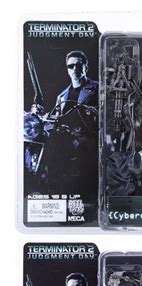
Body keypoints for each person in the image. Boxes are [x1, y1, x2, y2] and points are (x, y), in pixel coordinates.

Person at [49, 50, 98, 195]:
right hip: (67, 144)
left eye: (79, 65)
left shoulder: (98, 88)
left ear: (86, 67)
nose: (75, 69)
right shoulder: (62, 96)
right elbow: (56, 119)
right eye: (71, 66)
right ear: (67, 69)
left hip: (91, 142)